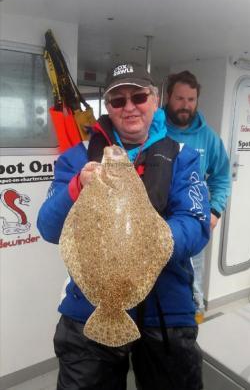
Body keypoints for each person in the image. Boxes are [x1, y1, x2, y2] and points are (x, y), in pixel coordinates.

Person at [37, 63, 210, 390]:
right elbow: (48, 227)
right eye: (118, 100)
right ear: (108, 107)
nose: (129, 106)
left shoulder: (182, 157)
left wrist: (148, 242)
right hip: (88, 310)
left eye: (138, 96)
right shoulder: (76, 159)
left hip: (166, 311)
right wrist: (76, 186)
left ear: (155, 101)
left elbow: (195, 224)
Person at [164, 70, 231, 320]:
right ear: (168, 97)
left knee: (193, 286)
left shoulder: (209, 137)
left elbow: (222, 177)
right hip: (156, 221)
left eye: (191, 100)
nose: (185, 105)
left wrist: (214, 211)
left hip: (193, 223)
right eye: (180, 98)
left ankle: (193, 327)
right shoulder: (155, 129)